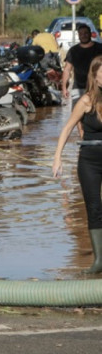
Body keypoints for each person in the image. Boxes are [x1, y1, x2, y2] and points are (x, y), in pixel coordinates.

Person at [52, 55, 102, 274]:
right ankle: (99, 260)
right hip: (89, 160)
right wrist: (57, 158)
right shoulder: (85, 101)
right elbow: (67, 129)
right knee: (93, 208)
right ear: (95, 76)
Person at [62, 23, 102, 105]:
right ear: (78, 35)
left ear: (90, 34)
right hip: (78, 88)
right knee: (77, 115)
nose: (84, 35)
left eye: (86, 33)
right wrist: (64, 88)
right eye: (81, 34)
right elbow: (67, 70)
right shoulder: (73, 51)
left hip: (97, 88)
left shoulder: (99, 48)